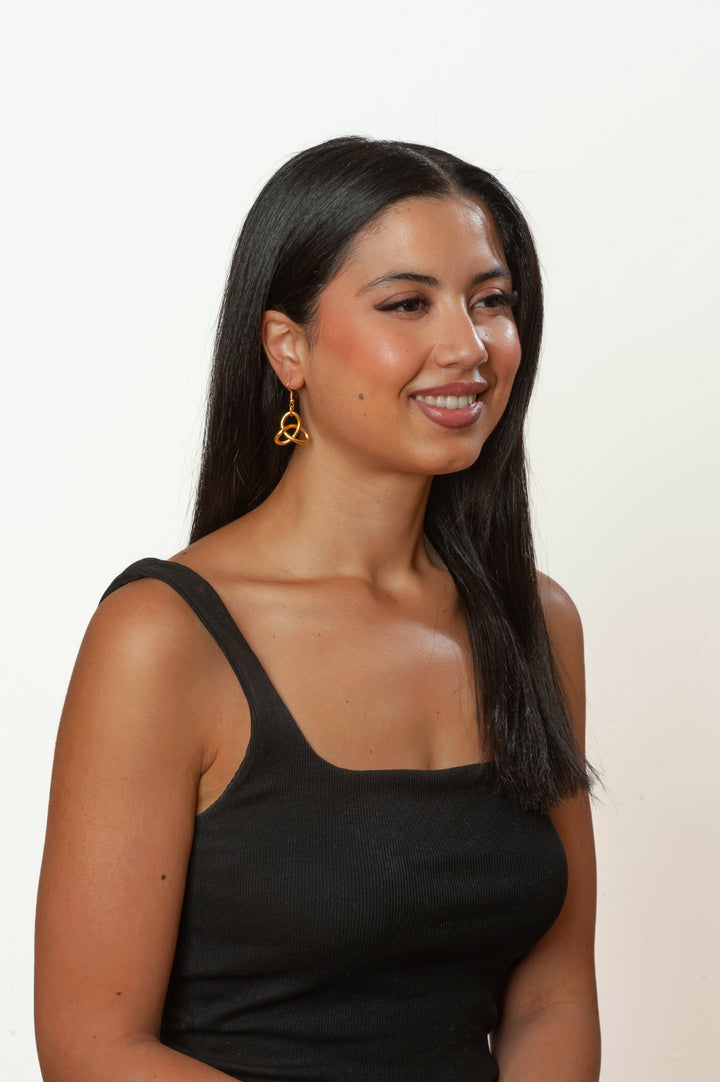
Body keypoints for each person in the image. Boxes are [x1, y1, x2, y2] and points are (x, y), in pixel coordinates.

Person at [35, 136, 600, 1082]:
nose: (467, 347)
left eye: (491, 300)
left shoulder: (536, 622)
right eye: (407, 303)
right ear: (287, 346)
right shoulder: (164, 636)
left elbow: (554, 994)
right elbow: (92, 1049)